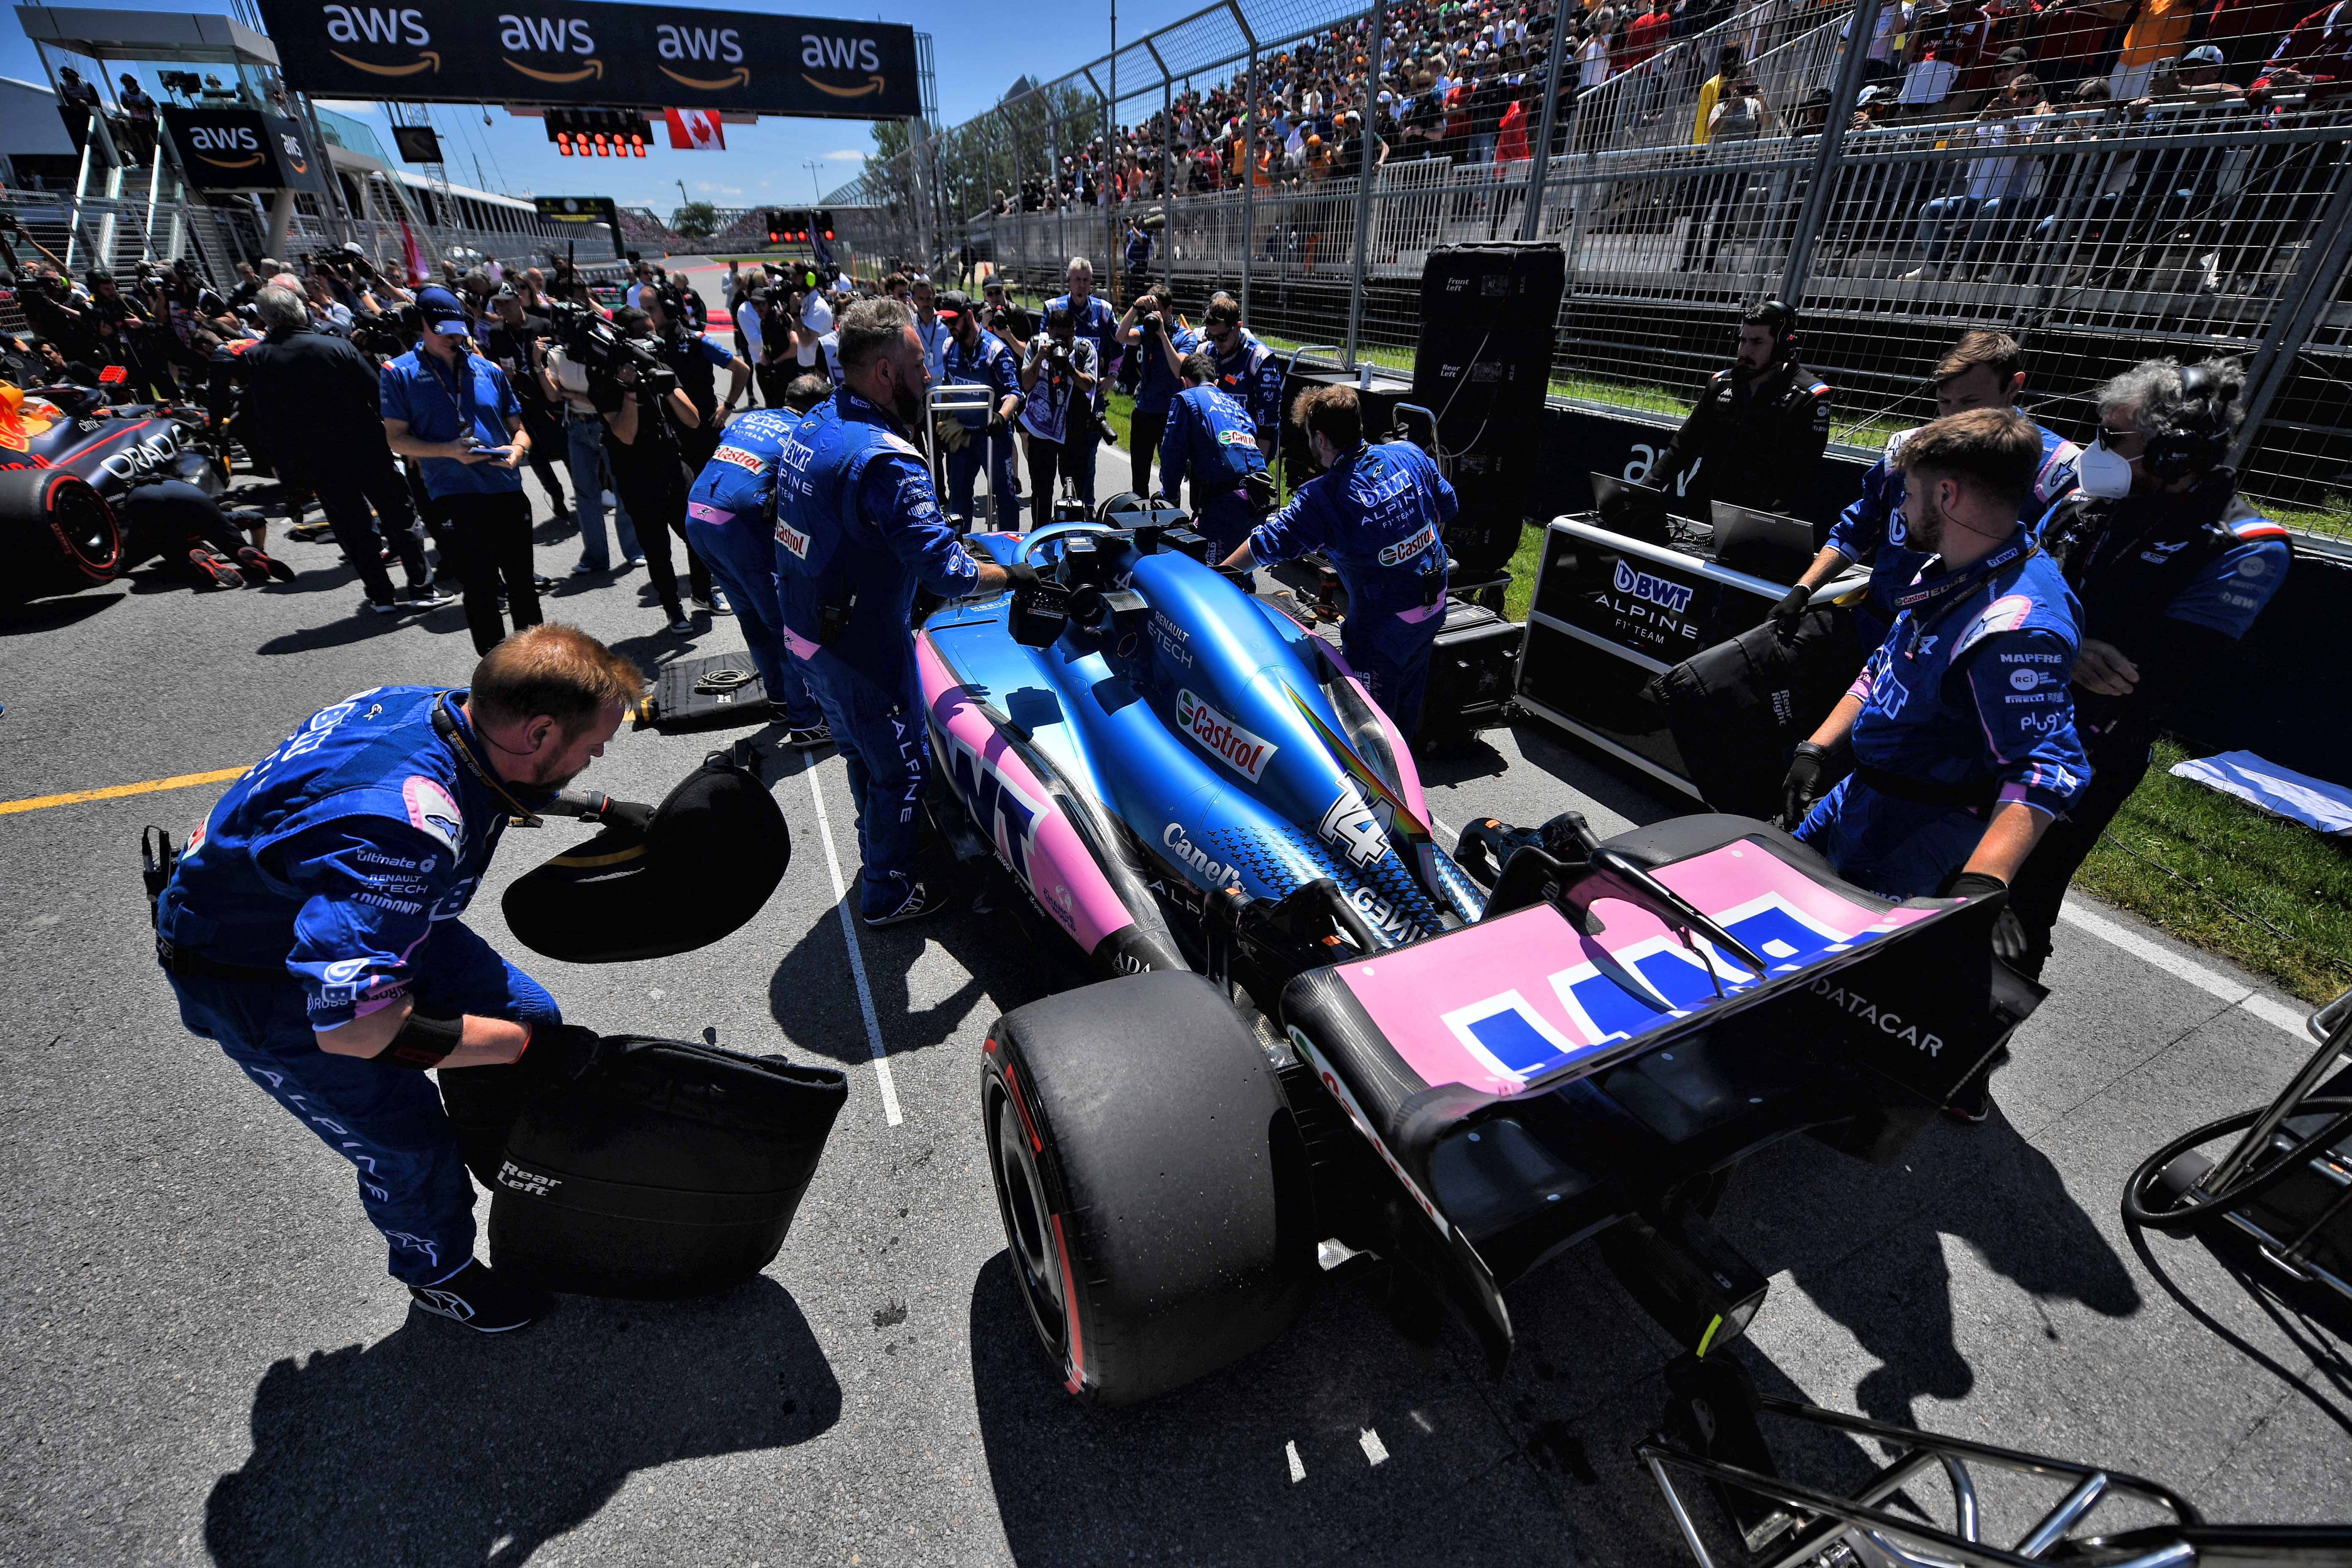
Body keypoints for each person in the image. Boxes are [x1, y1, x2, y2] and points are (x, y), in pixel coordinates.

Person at [152, 625, 642, 1332]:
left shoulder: (431, 707)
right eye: (591, 745)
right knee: (408, 1143)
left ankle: (510, 1160)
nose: (595, 754)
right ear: (538, 731)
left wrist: (591, 806)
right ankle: (435, 1271)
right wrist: (513, 1051)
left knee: (530, 1016)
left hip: (358, 914)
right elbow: (356, 1027)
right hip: (258, 978)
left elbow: (486, 772)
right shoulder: (399, 835)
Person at [2005, 357, 2291, 979]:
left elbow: (2151, 675)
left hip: (2088, 751)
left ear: (2172, 454)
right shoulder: (2085, 501)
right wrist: (2067, 645)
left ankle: (1968, 1048)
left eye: (2116, 439)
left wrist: (2043, 634)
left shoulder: (2245, 546)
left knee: (2018, 901)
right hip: (1999, 710)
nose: (2098, 450)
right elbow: (2006, 585)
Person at [774, 299, 1029, 926]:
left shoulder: (814, 422)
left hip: (805, 629)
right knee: (902, 767)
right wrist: (1015, 577)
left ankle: (877, 846)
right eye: (921, 365)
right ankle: (887, 892)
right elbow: (950, 572)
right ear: (886, 373)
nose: (931, 378)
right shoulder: (886, 458)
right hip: (860, 647)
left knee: (863, 757)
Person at [1780, 408, 2089, 915]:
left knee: (1832, 975)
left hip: (1914, 833)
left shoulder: (2014, 626)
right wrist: (1817, 748)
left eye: (1909, 491)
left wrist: (1984, 879)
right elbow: (1887, 665)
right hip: (1858, 793)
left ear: (1947, 495)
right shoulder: (1949, 565)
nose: (1900, 505)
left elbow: (2047, 767)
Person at [1776, 330, 2080, 651]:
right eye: (1944, 402)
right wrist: (1804, 588)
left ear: (2014, 386)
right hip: (1874, 625)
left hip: (1955, 650)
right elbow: (1858, 529)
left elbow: (2055, 578)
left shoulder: (2056, 469)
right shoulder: (1907, 447)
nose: (1954, 416)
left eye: (1971, 402)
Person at [1219, 387, 1456, 739]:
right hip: (1434, 607)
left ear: (1321, 438)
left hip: (1382, 631)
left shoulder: (1322, 497)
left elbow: (1264, 544)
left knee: (1369, 736)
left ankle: (1380, 787)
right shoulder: (1409, 453)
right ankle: (1405, 774)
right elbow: (1447, 505)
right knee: (1404, 717)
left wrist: (1215, 577)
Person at [240, 286, 449, 615]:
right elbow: (378, 395)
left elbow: (266, 419)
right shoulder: (336, 345)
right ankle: (422, 589)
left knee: (353, 528)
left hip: (317, 457)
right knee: (401, 516)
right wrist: (407, 440)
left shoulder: (257, 357)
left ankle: (381, 596)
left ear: (265, 319)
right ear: (300, 311)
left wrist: (283, 469)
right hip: (367, 446)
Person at [380, 286, 540, 655]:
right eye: (445, 333)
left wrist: (518, 449)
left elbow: (519, 428)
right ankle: (497, 676)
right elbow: (396, 439)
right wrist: (448, 452)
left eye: (459, 331)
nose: (455, 339)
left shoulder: (490, 370)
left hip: (506, 488)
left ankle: (538, 667)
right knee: (481, 588)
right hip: (454, 496)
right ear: (421, 325)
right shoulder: (398, 373)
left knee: (523, 587)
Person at [683, 407, 832, 744]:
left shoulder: (752, 417)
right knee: (784, 625)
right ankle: (806, 722)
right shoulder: (806, 433)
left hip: (697, 513)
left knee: (750, 618)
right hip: (737, 523)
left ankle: (779, 702)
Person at [1648, 299, 1831, 522]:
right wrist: (1642, 491)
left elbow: (1800, 477)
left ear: (1784, 346)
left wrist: (1772, 525)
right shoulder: (1720, 383)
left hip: (1753, 525)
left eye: (1757, 342)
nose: (1745, 351)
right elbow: (1683, 446)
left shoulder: (1810, 397)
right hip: (1698, 512)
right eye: (1743, 340)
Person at [602, 305, 713, 632]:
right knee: (658, 550)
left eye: (654, 329)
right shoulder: (606, 379)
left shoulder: (660, 366)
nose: (653, 338)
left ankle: (703, 595)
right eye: (644, 332)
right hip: (638, 476)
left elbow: (692, 419)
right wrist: (632, 389)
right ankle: (672, 608)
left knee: (698, 535)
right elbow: (625, 434)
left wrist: (664, 385)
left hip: (673, 466)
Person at [539, 324, 644, 578]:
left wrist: (571, 394)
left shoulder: (600, 353)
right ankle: (596, 557)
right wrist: (537, 363)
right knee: (586, 494)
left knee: (623, 489)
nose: (561, 337)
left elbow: (606, 396)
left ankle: (635, 551)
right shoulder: (555, 355)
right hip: (577, 427)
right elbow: (553, 396)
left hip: (605, 425)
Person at [477, 286, 572, 531]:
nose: (503, 309)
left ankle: (583, 495)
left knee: (565, 448)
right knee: (537, 454)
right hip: (522, 400)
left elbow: (561, 354)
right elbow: (495, 364)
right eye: (498, 305)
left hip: (549, 396)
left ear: (519, 301)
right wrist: (504, 374)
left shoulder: (541, 324)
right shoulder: (498, 332)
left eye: (507, 303)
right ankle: (556, 495)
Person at [1161, 352, 1270, 555]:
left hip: (1226, 503)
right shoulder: (1239, 408)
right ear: (1216, 382)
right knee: (1241, 572)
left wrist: (1169, 497)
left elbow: (1172, 454)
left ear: (1184, 382)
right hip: (1259, 498)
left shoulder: (1186, 398)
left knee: (1214, 574)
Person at [936, 291, 1023, 530]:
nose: (949, 325)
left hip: (993, 437)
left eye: (954, 319)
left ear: (969, 315)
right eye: (945, 321)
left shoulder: (996, 350)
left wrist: (1000, 419)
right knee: (959, 497)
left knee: (1004, 496)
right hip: (962, 434)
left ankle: (1010, 555)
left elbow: (1015, 393)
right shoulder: (948, 347)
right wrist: (941, 425)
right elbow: (948, 388)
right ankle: (959, 551)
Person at [647, 285, 748, 481]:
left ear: (669, 308)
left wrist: (728, 406)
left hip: (702, 434)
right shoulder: (649, 346)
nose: (646, 315)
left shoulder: (697, 341)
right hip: (671, 435)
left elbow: (742, 369)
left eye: (651, 309)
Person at [1041, 258, 1118, 510]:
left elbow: (1120, 346)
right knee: (1053, 469)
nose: (1082, 285)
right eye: (1077, 279)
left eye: (1086, 280)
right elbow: (1042, 343)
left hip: (1088, 399)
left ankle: (1087, 513)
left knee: (1087, 464)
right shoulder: (1053, 307)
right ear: (1069, 281)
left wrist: (1112, 376)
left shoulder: (1104, 310)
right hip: (1056, 400)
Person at [1017, 305, 1100, 529]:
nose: (1062, 343)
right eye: (1057, 338)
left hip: (1073, 431)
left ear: (1074, 330)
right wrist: (1040, 358)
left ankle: (1073, 533)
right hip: (1042, 432)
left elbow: (1089, 385)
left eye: (1067, 337)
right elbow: (1025, 384)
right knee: (1041, 489)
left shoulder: (1084, 349)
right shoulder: (1036, 345)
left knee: (1074, 489)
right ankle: (1039, 533)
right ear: (1048, 331)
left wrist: (1070, 367)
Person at [1118, 286, 1202, 495]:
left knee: (1171, 479)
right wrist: (1136, 307)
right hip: (1145, 413)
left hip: (1172, 417)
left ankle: (1170, 521)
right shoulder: (1146, 333)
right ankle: (1141, 522)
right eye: (1151, 312)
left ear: (1169, 310)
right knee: (1139, 480)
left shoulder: (1185, 337)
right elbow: (1121, 337)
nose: (1154, 317)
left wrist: (1163, 335)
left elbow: (1179, 370)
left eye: (1158, 311)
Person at [1199, 294, 1285, 461]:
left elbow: (1268, 421)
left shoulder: (1260, 359)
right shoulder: (1204, 352)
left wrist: (1257, 470)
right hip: (1211, 450)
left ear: (1238, 327)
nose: (1216, 342)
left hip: (1247, 450)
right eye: (1211, 336)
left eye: (1222, 337)